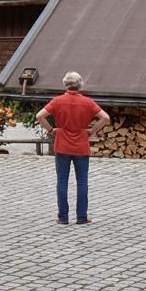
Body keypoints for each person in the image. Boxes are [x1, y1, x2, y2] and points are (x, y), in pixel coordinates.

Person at [36, 71, 110, 225]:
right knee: (82, 181)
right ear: (80, 84)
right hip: (81, 145)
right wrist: (92, 131)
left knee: (62, 181)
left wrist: (51, 130)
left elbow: (39, 116)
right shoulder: (88, 102)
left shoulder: (58, 101)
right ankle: (82, 217)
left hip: (62, 144)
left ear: (65, 84)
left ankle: (63, 217)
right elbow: (105, 118)